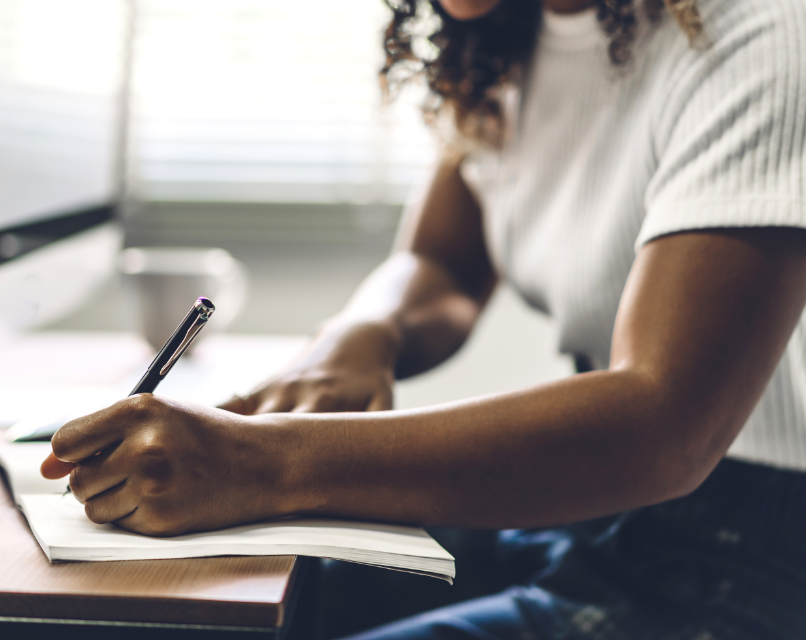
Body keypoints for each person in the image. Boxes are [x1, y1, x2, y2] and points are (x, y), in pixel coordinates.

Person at [41, 0, 806, 637]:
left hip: (752, 556)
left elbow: (664, 427)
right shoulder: (509, 35)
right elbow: (444, 265)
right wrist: (360, 334)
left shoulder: (759, 34)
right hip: (588, 511)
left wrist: (267, 461)